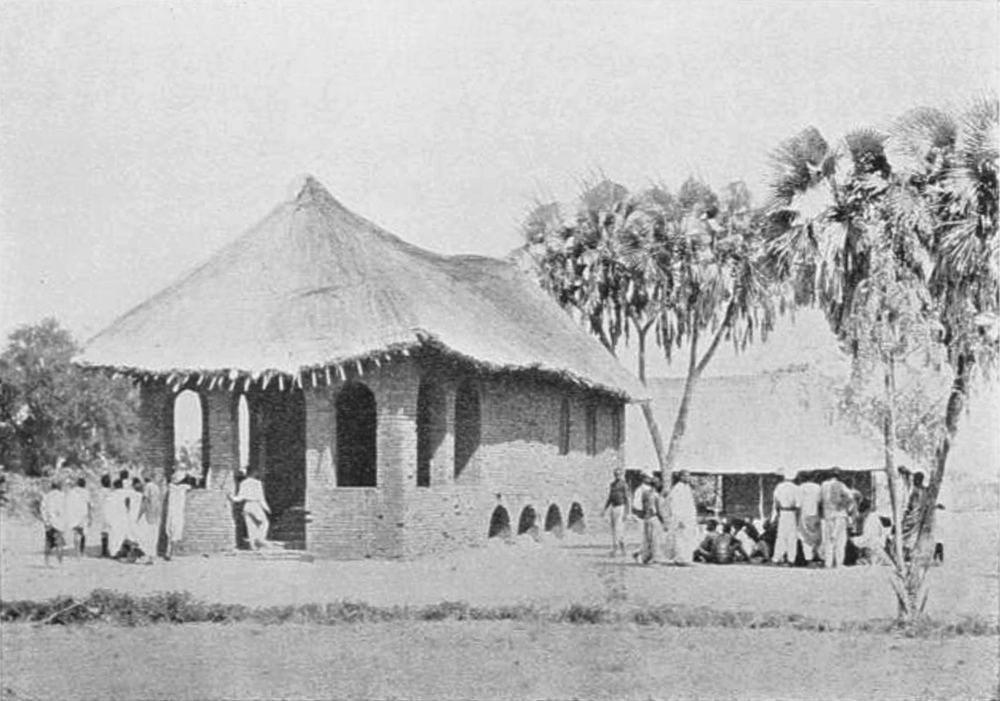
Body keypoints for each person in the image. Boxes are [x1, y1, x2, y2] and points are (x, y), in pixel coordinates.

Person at [229, 467, 270, 550]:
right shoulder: (257, 483)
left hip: (246, 505)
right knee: (265, 523)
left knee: (251, 527)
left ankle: (253, 546)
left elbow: (239, 498)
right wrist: (267, 508)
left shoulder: (243, 483)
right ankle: (260, 538)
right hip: (255, 504)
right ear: (254, 473)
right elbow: (261, 498)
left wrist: (231, 497)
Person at [820, 468, 854, 568]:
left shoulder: (823, 485)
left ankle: (828, 563)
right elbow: (850, 497)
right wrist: (843, 505)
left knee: (829, 540)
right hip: (839, 515)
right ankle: (839, 563)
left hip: (828, 515)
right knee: (840, 540)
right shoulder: (841, 485)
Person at [165, 467, 198, 560]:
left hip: (172, 512)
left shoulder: (172, 487)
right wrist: (189, 476)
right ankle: (170, 552)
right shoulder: (183, 487)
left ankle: (169, 552)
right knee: (174, 533)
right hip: (177, 512)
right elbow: (194, 484)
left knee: (171, 533)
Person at [667, 470, 698, 565]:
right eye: (686, 476)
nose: (688, 478)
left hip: (689, 518)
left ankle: (686, 558)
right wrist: (679, 519)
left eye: (689, 476)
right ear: (681, 477)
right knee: (680, 538)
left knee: (688, 538)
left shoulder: (687, 488)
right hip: (681, 518)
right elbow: (675, 505)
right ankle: (680, 559)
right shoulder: (677, 488)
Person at [632, 473, 663, 565]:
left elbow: (643, 506)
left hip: (646, 518)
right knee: (655, 539)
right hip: (653, 518)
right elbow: (658, 510)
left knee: (647, 538)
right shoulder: (656, 496)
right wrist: (663, 521)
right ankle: (654, 558)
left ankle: (645, 557)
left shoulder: (645, 493)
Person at [771, 468, 799, 566]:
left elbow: (776, 502)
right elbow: (798, 504)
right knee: (792, 537)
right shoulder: (796, 488)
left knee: (781, 536)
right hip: (792, 513)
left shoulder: (779, 487)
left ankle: (777, 558)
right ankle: (791, 559)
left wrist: (776, 515)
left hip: (782, 512)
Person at [602, 467, 630, 557]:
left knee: (619, 529)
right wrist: (604, 509)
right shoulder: (612, 484)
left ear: (621, 475)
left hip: (621, 507)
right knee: (614, 529)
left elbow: (627, 499)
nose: (617, 476)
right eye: (616, 474)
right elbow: (610, 497)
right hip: (613, 508)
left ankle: (618, 549)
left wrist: (626, 512)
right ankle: (620, 549)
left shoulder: (624, 485)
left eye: (619, 474)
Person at [136, 474, 163, 564]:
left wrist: (139, 515)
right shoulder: (156, 487)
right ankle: (152, 557)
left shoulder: (148, 487)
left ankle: (146, 556)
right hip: (156, 514)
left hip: (149, 514)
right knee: (153, 537)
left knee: (145, 537)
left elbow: (145, 501)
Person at [851, 498, 887, 565]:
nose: (861, 515)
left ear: (867, 510)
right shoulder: (871, 517)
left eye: (862, 513)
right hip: (876, 545)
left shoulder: (871, 520)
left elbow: (868, 537)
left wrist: (854, 540)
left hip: (874, 546)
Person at [40, 479, 68, 566]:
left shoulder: (46, 496)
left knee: (48, 542)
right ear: (59, 487)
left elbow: (42, 509)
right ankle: (60, 563)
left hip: (49, 522)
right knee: (59, 543)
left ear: (52, 487)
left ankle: (46, 562)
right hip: (59, 523)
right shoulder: (63, 496)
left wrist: (45, 521)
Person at [796, 476, 822, 563]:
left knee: (804, 536)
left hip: (804, 514)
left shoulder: (800, 488)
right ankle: (816, 554)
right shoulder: (818, 487)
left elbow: (798, 504)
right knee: (816, 536)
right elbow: (820, 502)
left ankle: (808, 557)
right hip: (815, 514)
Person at [901, 471, 927, 558]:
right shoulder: (924, 490)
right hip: (917, 516)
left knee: (907, 535)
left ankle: (906, 553)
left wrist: (906, 513)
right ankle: (907, 553)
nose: (914, 481)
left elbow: (912, 505)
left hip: (914, 516)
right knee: (910, 536)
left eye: (915, 480)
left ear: (919, 480)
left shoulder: (916, 491)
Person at [64, 476, 92, 557]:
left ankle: (77, 551)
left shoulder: (72, 491)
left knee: (76, 532)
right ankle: (81, 551)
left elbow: (67, 502)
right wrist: (90, 516)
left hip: (74, 515)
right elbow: (88, 504)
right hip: (83, 514)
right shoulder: (86, 492)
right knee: (83, 533)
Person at [105, 478, 131, 559]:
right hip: (123, 516)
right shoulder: (126, 493)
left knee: (113, 535)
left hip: (113, 517)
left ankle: (113, 552)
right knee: (123, 534)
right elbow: (128, 503)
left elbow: (107, 506)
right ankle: (122, 551)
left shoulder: (111, 494)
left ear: (114, 486)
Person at [96, 473, 112, 557]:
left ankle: (104, 551)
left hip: (103, 513)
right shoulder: (112, 492)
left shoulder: (100, 492)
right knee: (110, 532)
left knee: (104, 532)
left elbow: (98, 503)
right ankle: (109, 550)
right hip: (111, 513)